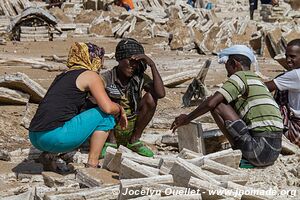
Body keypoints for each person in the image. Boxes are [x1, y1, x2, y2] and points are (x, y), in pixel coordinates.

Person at [171, 45, 283, 167]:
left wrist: (186, 119)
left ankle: (237, 153)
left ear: (234, 63)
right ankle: (242, 153)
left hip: (258, 151)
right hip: (274, 153)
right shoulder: (257, 81)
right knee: (227, 101)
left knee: (217, 104)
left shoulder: (240, 76)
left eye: (227, 67)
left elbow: (211, 103)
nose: (228, 74)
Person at [29, 42, 127, 170]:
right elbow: (107, 107)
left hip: (35, 136)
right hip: (54, 137)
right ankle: (92, 164)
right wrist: (120, 109)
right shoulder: (90, 75)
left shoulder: (62, 76)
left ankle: (48, 156)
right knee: (106, 115)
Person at [99, 38, 165, 157]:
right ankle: (111, 142)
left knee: (151, 98)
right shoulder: (107, 78)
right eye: (130, 61)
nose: (133, 66)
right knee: (104, 100)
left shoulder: (139, 78)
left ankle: (134, 140)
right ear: (119, 59)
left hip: (131, 124)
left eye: (137, 62)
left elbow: (160, 94)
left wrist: (152, 65)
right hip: (111, 128)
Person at [265, 39, 300, 147]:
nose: (288, 60)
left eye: (292, 56)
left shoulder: (296, 75)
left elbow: (263, 88)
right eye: (286, 56)